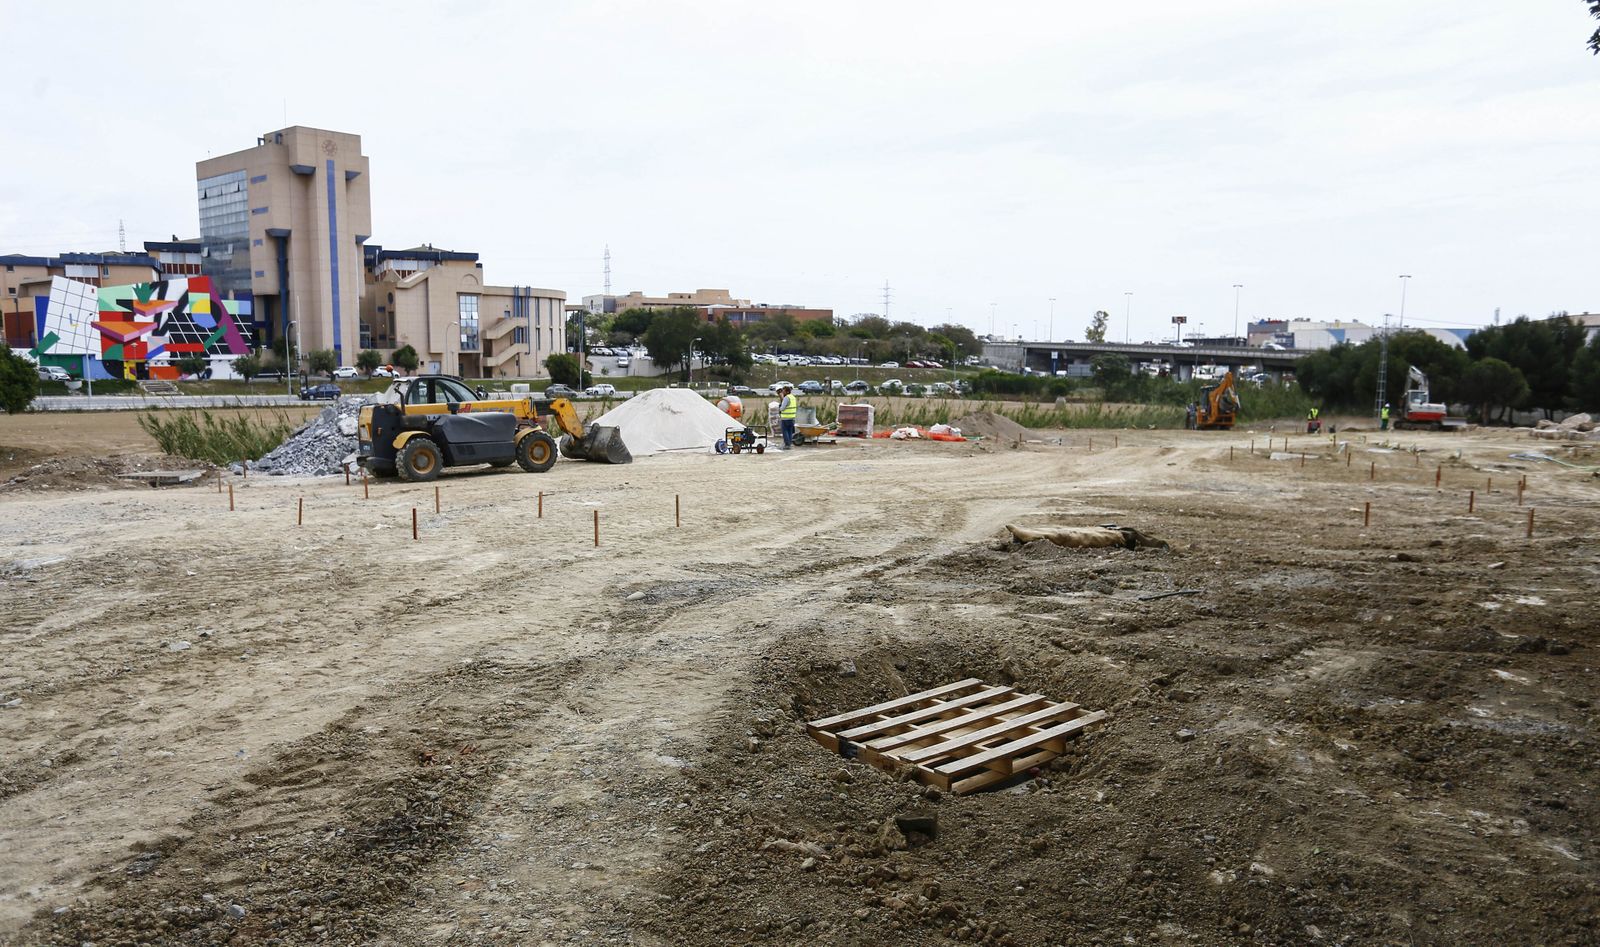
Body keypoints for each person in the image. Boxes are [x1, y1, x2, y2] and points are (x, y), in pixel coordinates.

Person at [775, 382, 798, 448]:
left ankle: (787, 444)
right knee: (790, 431)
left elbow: (782, 408)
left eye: (784, 391)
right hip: (792, 417)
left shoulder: (786, 398)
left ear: (787, 391)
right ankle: (789, 444)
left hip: (786, 418)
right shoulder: (793, 397)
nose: (783, 392)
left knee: (785, 431)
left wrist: (779, 408)